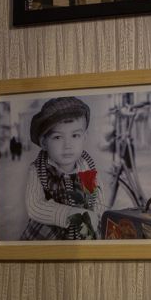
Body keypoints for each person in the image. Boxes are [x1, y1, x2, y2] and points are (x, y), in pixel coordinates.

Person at [20, 97, 105, 240]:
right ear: (44, 142)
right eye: (58, 137)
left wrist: (94, 216)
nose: (67, 145)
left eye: (75, 135)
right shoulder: (38, 170)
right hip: (49, 236)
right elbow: (34, 206)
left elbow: (97, 199)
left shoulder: (86, 168)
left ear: (84, 137)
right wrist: (70, 213)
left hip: (83, 232)